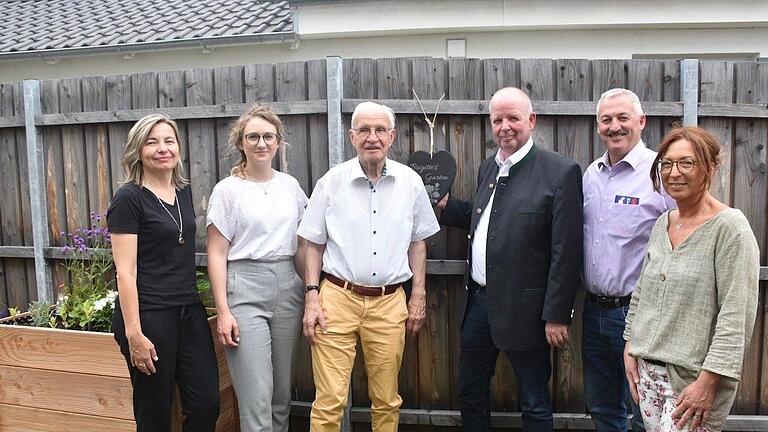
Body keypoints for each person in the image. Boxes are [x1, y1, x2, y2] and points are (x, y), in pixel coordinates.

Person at [438, 87, 583, 432]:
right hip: (479, 304)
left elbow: (567, 251)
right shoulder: (490, 166)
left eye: (513, 118)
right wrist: (447, 207)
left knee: (534, 402)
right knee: (470, 392)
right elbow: (488, 218)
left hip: (528, 311)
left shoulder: (560, 172)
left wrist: (557, 315)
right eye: (497, 119)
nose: (504, 126)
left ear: (531, 121)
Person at [298, 101, 440, 432]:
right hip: (336, 299)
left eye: (379, 130)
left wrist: (417, 294)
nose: (371, 137)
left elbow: (418, 242)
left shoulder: (410, 182)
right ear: (352, 136)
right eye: (363, 130)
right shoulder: (331, 182)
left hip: (390, 302)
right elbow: (313, 244)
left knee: (387, 399)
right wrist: (311, 297)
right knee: (329, 400)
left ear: (392, 137)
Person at [623, 126, 760, 432]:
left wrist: (709, 382)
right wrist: (629, 344)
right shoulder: (664, 222)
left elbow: (736, 317)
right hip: (647, 373)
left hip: (691, 381)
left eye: (687, 163)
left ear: (710, 167)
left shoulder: (730, 229)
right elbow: (642, 292)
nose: (674, 173)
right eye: (667, 164)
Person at [108, 114, 220, 431]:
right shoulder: (129, 199)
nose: (162, 148)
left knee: (207, 404)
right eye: (152, 141)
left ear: (178, 148)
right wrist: (134, 333)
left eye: (168, 141)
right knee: (154, 413)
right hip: (150, 315)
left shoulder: (182, 191)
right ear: (138, 150)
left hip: (189, 311)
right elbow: (125, 272)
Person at [206, 105, 308, 432]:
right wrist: (223, 311)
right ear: (241, 143)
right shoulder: (228, 191)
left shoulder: (290, 187)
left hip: (287, 287)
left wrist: (313, 292)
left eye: (268, 136)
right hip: (244, 289)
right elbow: (217, 253)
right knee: (256, 398)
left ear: (278, 142)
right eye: (253, 136)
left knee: (281, 397)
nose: (261, 143)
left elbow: (306, 245)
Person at [582, 88, 675, 432]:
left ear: (641, 121)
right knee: (603, 408)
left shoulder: (661, 173)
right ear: (597, 126)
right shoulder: (591, 175)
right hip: (593, 312)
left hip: (640, 314)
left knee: (644, 412)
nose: (614, 126)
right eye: (606, 119)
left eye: (623, 118)